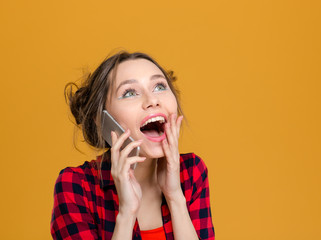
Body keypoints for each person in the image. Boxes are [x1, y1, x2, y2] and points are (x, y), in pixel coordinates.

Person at [51, 51, 215, 240]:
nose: (152, 101)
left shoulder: (191, 172)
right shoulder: (76, 186)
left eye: (159, 86)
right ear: (102, 120)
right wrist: (126, 213)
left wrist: (175, 197)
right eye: (129, 92)